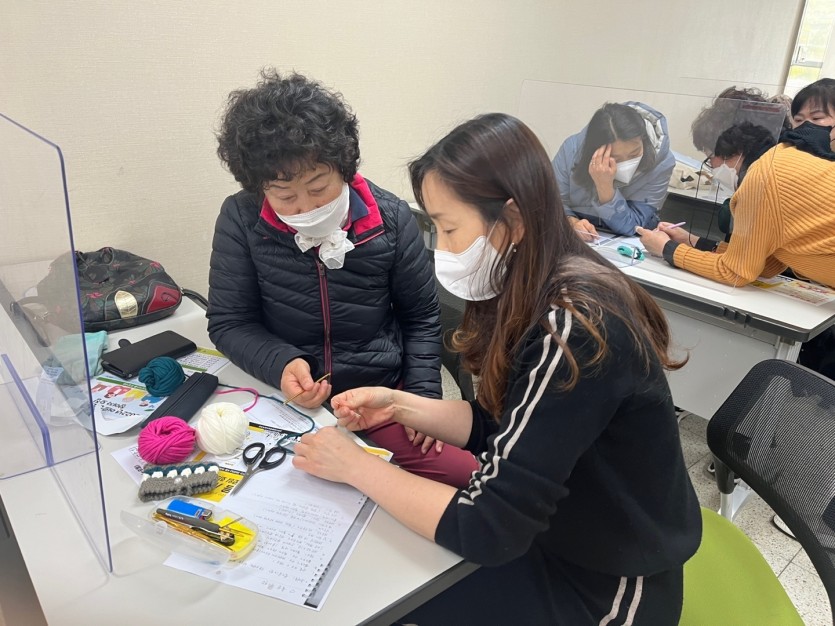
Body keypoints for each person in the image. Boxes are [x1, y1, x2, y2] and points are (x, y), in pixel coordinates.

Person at [292, 113, 701, 624]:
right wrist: (398, 405)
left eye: (449, 228)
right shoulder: (531, 282)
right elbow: (507, 424)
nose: (442, 249)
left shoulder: (572, 327)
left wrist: (356, 466)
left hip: (608, 587)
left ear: (513, 218)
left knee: (385, 597)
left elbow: (487, 529)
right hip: (554, 536)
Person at [208, 70, 477, 487]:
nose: (305, 208)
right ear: (261, 188)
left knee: (466, 478)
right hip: (288, 400)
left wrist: (422, 401)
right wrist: (281, 364)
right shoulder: (241, 218)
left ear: (344, 168)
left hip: (379, 396)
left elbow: (422, 316)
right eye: (285, 196)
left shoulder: (391, 219)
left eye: (319, 187)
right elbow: (230, 321)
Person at [637, 78, 835, 289]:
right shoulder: (782, 161)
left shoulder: (765, 176)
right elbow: (767, 263)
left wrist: (666, 249)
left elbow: (735, 272)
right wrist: (691, 241)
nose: (712, 166)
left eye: (710, 157)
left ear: (731, 150)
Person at [552, 102, 675, 238]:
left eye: (634, 154)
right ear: (594, 151)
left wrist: (605, 188)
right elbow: (551, 201)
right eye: (615, 158)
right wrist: (571, 222)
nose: (626, 164)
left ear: (644, 141)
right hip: (585, 240)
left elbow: (635, 226)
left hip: (629, 243)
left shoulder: (661, 164)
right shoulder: (572, 150)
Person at [708, 122, 777, 239]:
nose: (711, 164)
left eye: (711, 155)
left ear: (738, 154)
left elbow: (744, 250)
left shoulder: (761, 196)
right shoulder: (754, 184)